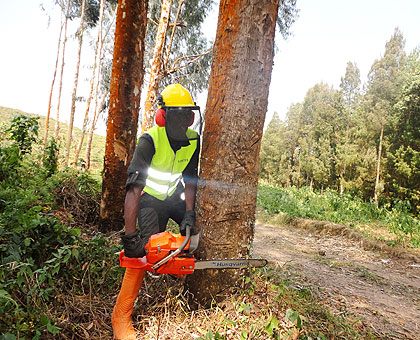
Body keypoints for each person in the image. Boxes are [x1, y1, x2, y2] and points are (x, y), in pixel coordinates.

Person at [111, 84, 201, 340]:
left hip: (174, 195)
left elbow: (190, 180)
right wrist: (131, 238)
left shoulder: (193, 140)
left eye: (188, 114)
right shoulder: (149, 140)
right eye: (179, 114)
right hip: (150, 198)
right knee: (145, 254)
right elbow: (133, 190)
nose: (185, 120)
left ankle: (185, 278)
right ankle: (121, 315)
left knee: (193, 235)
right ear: (164, 116)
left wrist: (189, 213)